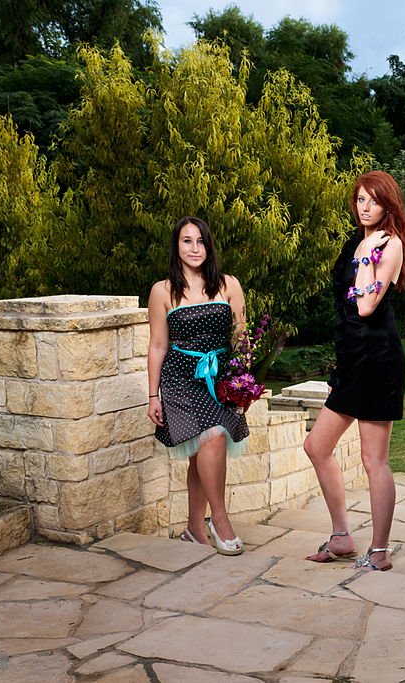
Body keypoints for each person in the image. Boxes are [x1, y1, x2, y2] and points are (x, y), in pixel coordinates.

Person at [304, 170, 405, 572]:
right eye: (360, 200)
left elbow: (366, 306)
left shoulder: (390, 245)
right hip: (352, 360)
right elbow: (346, 304)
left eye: (373, 200)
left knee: (373, 460)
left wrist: (367, 254)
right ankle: (342, 537)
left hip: (378, 359)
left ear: (388, 205)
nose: (364, 207)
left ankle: (380, 551)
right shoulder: (359, 240)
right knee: (316, 446)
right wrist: (362, 248)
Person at [147, 216, 249, 556]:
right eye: (187, 241)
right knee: (213, 436)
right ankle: (220, 522)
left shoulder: (229, 285)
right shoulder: (162, 291)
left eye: (200, 241)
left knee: (202, 452)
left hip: (219, 377)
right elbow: (158, 345)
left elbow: (242, 337)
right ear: (176, 246)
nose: (194, 248)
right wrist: (152, 395)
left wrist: (243, 383)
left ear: (209, 245)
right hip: (180, 378)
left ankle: (193, 528)